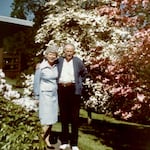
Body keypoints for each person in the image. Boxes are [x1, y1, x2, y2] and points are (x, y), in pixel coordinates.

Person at [57, 43, 87, 150]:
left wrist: (79, 83)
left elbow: (84, 73)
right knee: (64, 116)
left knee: (74, 118)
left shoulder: (78, 61)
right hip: (61, 90)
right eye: (67, 51)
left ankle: (74, 143)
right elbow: (49, 62)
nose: (69, 53)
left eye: (71, 51)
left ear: (73, 52)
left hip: (74, 90)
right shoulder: (59, 60)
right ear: (64, 51)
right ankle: (64, 141)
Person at [33, 45, 59, 149]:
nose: (52, 56)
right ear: (46, 55)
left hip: (54, 95)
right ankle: (38, 140)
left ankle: (47, 140)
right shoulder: (41, 67)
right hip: (44, 95)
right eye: (50, 54)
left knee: (52, 119)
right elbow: (36, 82)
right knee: (46, 120)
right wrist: (36, 96)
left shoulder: (57, 66)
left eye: (54, 54)